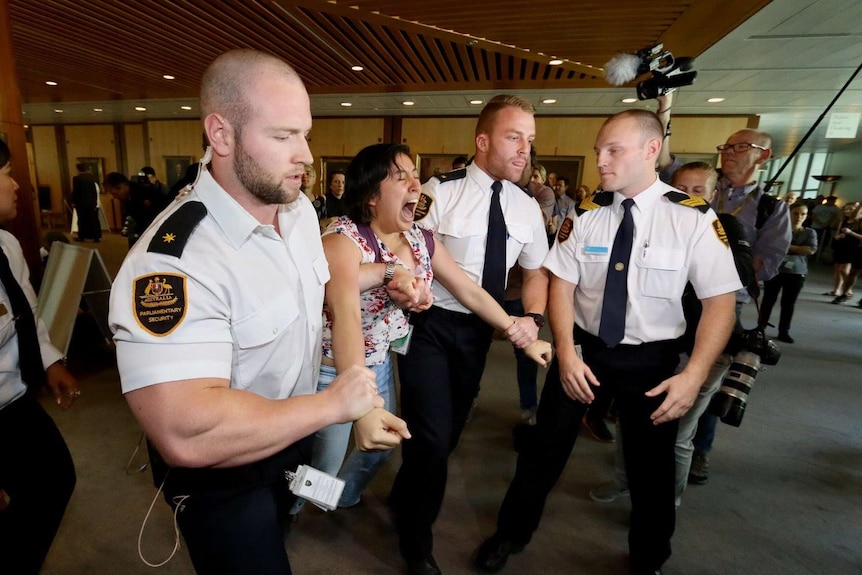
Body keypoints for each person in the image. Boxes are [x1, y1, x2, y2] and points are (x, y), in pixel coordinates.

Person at [107, 49, 408, 574]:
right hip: (223, 478)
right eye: (283, 136)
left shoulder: (293, 213)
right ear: (221, 135)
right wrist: (333, 406)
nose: (307, 156)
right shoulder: (172, 264)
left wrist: (359, 393)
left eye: (305, 134)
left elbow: (324, 295)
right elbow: (186, 431)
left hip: (289, 444)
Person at [474, 110, 740, 575]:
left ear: (650, 150)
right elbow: (562, 286)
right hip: (583, 353)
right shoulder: (587, 215)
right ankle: (509, 535)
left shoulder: (691, 217)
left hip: (652, 360)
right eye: (600, 149)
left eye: (613, 150)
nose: (600, 159)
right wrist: (566, 354)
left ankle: (648, 557)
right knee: (542, 452)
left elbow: (720, 303)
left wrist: (693, 376)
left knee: (650, 469)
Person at [304, 143, 550, 512]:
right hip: (332, 366)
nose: (417, 186)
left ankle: (340, 499)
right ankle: (292, 514)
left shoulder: (420, 237)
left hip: (380, 361)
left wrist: (518, 330)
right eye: (401, 178)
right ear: (372, 195)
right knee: (323, 461)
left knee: (379, 451)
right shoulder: (342, 240)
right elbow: (347, 317)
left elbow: (468, 290)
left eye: (415, 177)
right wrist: (361, 403)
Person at [390, 94, 550, 575]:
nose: (525, 150)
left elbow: (536, 271)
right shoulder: (440, 193)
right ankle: (415, 544)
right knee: (435, 437)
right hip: (431, 324)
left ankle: (405, 490)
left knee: (449, 430)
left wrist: (533, 318)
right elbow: (405, 249)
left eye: (530, 140)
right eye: (513, 137)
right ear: (482, 141)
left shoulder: (526, 207)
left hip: (480, 331)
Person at [588, 161, 755, 509]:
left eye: (698, 191)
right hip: (657, 349)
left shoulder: (723, 226)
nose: (688, 197)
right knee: (631, 423)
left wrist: (697, 250)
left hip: (704, 352)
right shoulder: (649, 222)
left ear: (713, 194)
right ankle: (626, 483)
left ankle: (665, 502)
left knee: (676, 434)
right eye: (682, 189)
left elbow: (740, 276)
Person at [689, 128, 791, 485]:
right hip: (677, 299)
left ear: (763, 156)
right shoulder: (703, 187)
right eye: (725, 145)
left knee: (706, 379)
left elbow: (769, 261)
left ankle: (700, 449)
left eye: (740, 146)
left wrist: (721, 266)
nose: (729, 152)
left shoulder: (771, 208)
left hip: (725, 305)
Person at [0, 138, 80, 574]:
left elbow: (27, 312)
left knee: (54, 478)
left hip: (12, 398)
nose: (18, 186)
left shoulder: (7, 246)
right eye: (8, 174)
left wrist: (50, 361)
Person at [758, 203, 817, 343]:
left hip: (796, 272)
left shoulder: (809, 233)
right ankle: (760, 328)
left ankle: (784, 331)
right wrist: (798, 248)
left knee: (788, 303)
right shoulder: (778, 230)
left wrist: (787, 247)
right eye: (796, 213)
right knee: (768, 300)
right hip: (775, 270)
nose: (799, 217)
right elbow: (769, 246)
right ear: (789, 214)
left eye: (803, 214)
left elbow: (810, 250)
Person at [827, 201, 861, 301]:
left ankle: (848, 290)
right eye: (846, 209)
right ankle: (836, 290)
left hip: (853, 247)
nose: (847, 211)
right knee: (838, 269)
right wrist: (839, 236)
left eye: (850, 209)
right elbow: (836, 235)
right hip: (841, 246)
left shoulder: (859, 222)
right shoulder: (843, 221)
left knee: (844, 270)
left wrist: (850, 233)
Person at [71, 162, 101, 242]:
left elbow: (76, 191)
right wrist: (94, 202)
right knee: (93, 220)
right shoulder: (91, 178)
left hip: (81, 203)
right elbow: (94, 191)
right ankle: (96, 237)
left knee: (81, 220)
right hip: (91, 203)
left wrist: (73, 201)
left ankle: (81, 236)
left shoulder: (76, 179)